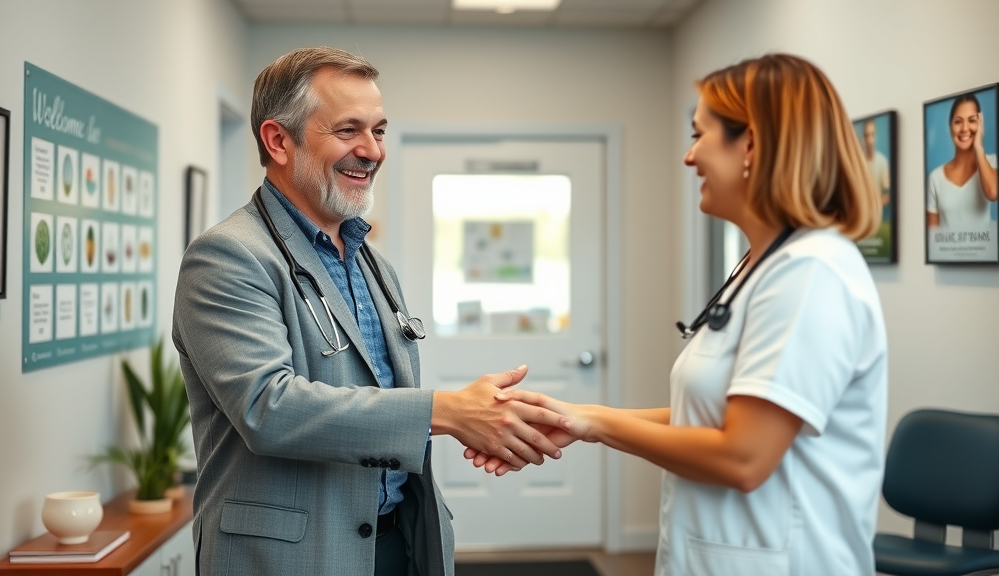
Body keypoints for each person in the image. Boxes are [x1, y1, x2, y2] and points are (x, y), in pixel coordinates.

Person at [471, 53, 887, 576]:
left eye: (700, 135)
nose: (690, 157)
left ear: (751, 144)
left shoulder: (813, 273)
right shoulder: (762, 267)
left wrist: (595, 421)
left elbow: (743, 456)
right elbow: (713, 417)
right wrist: (574, 419)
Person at [172, 46, 571, 576]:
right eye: (347, 131)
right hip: (290, 556)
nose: (372, 150)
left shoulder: (372, 264)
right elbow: (269, 407)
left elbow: (381, 395)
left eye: (379, 131)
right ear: (277, 140)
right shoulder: (229, 256)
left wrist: (486, 417)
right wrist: (448, 412)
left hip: (395, 541)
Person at [926, 93, 998, 228]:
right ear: (950, 126)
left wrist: (978, 147)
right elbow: (932, 237)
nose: (965, 129)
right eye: (958, 121)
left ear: (980, 125)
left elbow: (993, 192)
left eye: (972, 120)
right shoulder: (935, 178)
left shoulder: (993, 162)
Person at [861, 118, 890, 209]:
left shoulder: (883, 162)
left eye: (872, 135)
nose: (870, 140)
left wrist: (874, 208)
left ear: (876, 136)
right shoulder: (858, 163)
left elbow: (887, 195)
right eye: (867, 135)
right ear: (863, 138)